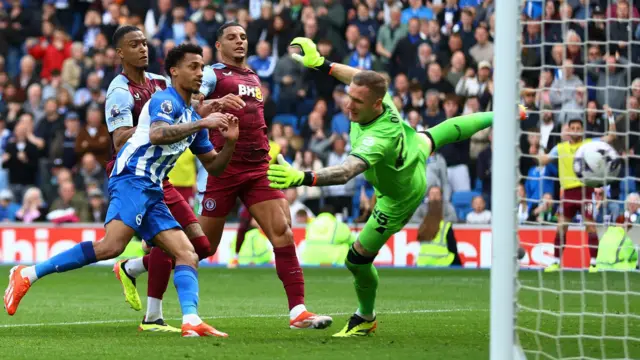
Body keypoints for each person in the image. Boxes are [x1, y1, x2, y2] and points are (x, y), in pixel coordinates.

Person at [267, 37, 517, 337]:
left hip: (399, 196)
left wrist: (304, 177)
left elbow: (347, 171)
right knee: (440, 132)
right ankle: (504, 114)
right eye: (350, 97)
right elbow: (357, 78)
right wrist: (322, 63)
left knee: (356, 260)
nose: (349, 105)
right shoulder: (379, 98)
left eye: (357, 102)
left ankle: (365, 316)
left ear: (375, 104)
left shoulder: (377, 139)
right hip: (412, 148)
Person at [4, 43, 239, 339]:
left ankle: (191, 320)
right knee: (111, 246)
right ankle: (26, 274)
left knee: (187, 253)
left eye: (202, 68)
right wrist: (202, 121)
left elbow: (215, 167)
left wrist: (229, 142)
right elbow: (156, 133)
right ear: (174, 71)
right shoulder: (165, 101)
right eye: (193, 67)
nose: (199, 73)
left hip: (152, 187)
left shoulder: (193, 118)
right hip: (130, 177)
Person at [196, 22, 332, 330]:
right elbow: (191, 108)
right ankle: (137, 266)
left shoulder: (253, 75)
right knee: (203, 248)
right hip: (225, 166)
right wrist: (216, 103)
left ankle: (298, 311)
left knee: (283, 232)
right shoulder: (211, 74)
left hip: (258, 167)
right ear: (219, 45)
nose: (239, 41)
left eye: (243, 36)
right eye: (231, 37)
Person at [104, 26, 217, 333]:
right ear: (120, 53)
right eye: (134, 44)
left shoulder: (160, 82)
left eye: (144, 43)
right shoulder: (120, 91)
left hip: (162, 175)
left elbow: (187, 110)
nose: (143, 48)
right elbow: (119, 141)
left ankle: (131, 269)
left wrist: (209, 109)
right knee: (170, 248)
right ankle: (154, 316)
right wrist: (154, 122)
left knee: (199, 247)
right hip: (135, 174)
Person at [537, 115, 616, 272]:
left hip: (585, 191)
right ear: (567, 130)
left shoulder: (589, 144)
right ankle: (556, 261)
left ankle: (594, 263)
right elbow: (543, 160)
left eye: (578, 128)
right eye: (572, 128)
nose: (575, 131)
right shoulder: (560, 148)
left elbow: (611, 137)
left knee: (590, 226)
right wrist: (537, 148)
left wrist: (611, 118)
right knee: (561, 227)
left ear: (582, 130)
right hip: (567, 193)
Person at [415, 197, 461, 267]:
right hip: (441, 262)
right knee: (453, 257)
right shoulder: (446, 226)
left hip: (422, 262)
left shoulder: (422, 226)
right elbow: (453, 248)